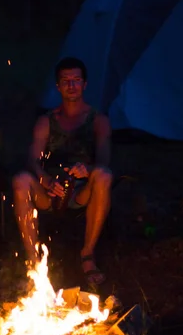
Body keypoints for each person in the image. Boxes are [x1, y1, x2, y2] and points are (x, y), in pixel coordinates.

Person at [12, 56, 112, 285]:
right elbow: (32, 159)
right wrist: (45, 179)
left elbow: (105, 161)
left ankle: (87, 255)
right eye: (65, 81)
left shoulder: (98, 120)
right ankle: (33, 261)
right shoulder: (47, 121)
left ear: (85, 84)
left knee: (104, 175)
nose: (71, 85)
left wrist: (87, 169)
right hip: (51, 190)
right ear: (58, 86)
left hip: (81, 191)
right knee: (20, 180)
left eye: (76, 80)